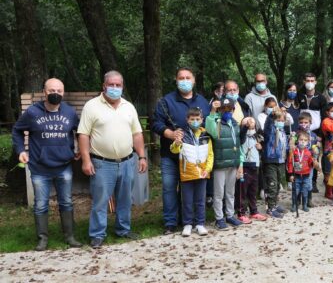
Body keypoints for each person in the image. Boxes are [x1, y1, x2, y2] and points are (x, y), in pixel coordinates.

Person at [79, 71, 147, 248]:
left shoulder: (129, 107)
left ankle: (123, 229)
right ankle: (97, 234)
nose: (115, 88)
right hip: (102, 163)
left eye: (118, 85)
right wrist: (86, 160)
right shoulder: (91, 106)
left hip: (127, 161)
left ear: (122, 87)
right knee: (100, 200)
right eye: (111, 85)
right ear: (104, 86)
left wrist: (142, 156)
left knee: (125, 199)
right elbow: (83, 135)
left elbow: (137, 134)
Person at [12, 78, 82, 251]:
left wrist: (80, 147)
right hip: (39, 168)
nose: (55, 94)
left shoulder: (70, 112)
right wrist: (21, 150)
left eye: (59, 91)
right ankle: (42, 239)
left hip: (64, 165)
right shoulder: (32, 112)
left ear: (63, 92)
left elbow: (81, 131)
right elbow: (17, 130)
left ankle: (70, 236)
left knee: (66, 202)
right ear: (45, 92)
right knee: (41, 204)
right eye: (52, 90)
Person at [152, 67, 210, 235]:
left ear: (194, 81)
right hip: (171, 155)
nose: (184, 81)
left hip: (194, 160)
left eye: (187, 77)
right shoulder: (165, 101)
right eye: (181, 78)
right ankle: (170, 223)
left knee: (192, 190)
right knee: (169, 188)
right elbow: (155, 123)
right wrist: (169, 133)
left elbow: (208, 125)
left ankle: (191, 220)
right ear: (176, 80)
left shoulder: (203, 102)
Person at [170, 108, 213, 237]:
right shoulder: (182, 134)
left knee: (200, 200)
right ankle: (187, 224)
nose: (195, 121)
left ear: (202, 120)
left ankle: (200, 223)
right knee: (187, 200)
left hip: (202, 173)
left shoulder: (206, 135)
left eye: (197, 119)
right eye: (192, 119)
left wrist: (208, 169)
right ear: (187, 120)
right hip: (187, 173)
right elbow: (174, 150)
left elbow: (210, 154)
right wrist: (177, 143)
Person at [205, 98, 243, 229]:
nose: (227, 112)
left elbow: (239, 145)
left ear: (233, 110)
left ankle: (230, 215)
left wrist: (240, 163)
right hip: (220, 164)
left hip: (233, 163)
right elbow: (209, 128)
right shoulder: (216, 123)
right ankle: (219, 218)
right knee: (219, 193)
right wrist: (212, 112)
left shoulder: (236, 124)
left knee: (230, 192)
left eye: (229, 109)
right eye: (224, 109)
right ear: (220, 110)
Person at [297, 72, 327, 193]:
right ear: (304, 81)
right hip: (301, 132)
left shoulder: (321, 97)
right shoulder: (299, 95)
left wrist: (320, 134)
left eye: (312, 80)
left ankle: (313, 182)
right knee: (301, 156)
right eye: (307, 80)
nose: (310, 83)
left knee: (314, 156)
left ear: (315, 82)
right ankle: (300, 179)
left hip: (315, 133)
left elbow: (324, 117)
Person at [235, 117, 267, 223]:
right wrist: (246, 126)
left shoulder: (256, 137)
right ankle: (241, 213)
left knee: (253, 191)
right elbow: (242, 133)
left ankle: (254, 211)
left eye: (251, 121)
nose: (249, 123)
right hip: (245, 166)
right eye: (246, 121)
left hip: (255, 166)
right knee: (242, 191)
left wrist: (260, 148)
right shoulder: (242, 136)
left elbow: (261, 152)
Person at [263, 108, 289, 218]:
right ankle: (270, 208)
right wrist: (271, 116)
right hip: (271, 160)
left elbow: (284, 146)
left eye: (283, 120)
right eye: (278, 120)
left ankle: (275, 204)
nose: (281, 122)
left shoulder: (282, 131)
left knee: (278, 184)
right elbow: (267, 124)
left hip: (281, 160)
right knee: (272, 184)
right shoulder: (271, 130)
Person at [296, 112, 321, 207]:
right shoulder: (296, 134)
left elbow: (316, 149)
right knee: (298, 180)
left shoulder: (314, 135)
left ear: (310, 123)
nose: (303, 124)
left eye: (306, 122)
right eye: (301, 122)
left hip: (309, 163)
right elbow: (292, 147)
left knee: (308, 180)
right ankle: (297, 200)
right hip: (298, 161)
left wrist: (317, 148)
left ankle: (308, 200)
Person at [287, 131, 315, 212]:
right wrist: (291, 174)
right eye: (301, 139)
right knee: (295, 191)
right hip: (296, 176)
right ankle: (294, 205)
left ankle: (304, 205)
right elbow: (290, 163)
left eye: (305, 140)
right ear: (297, 140)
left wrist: (314, 161)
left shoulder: (309, 153)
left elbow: (311, 164)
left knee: (305, 191)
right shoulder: (294, 151)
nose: (303, 141)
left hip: (306, 176)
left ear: (308, 142)